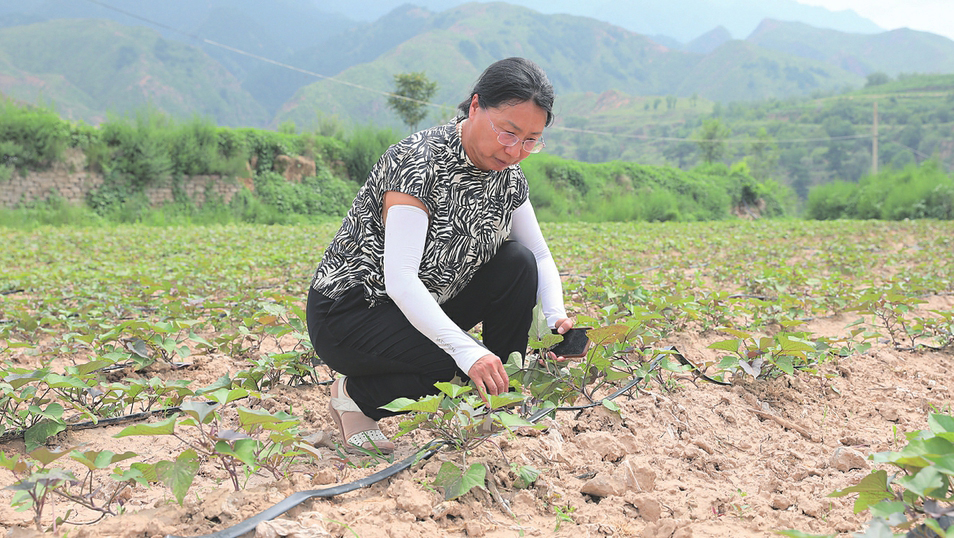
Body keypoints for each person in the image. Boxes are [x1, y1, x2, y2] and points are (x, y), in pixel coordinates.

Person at [306, 57, 573, 454]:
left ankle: (494, 401)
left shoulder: (507, 176)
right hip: (352, 313)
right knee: (447, 366)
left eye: (531, 140)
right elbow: (400, 278)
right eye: (508, 133)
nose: (516, 150)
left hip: (422, 304)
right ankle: (356, 397)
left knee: (516, 262)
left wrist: (554, 317)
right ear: (477, 106)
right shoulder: (419, 163)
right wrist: (467, 351)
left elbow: (538, 254)